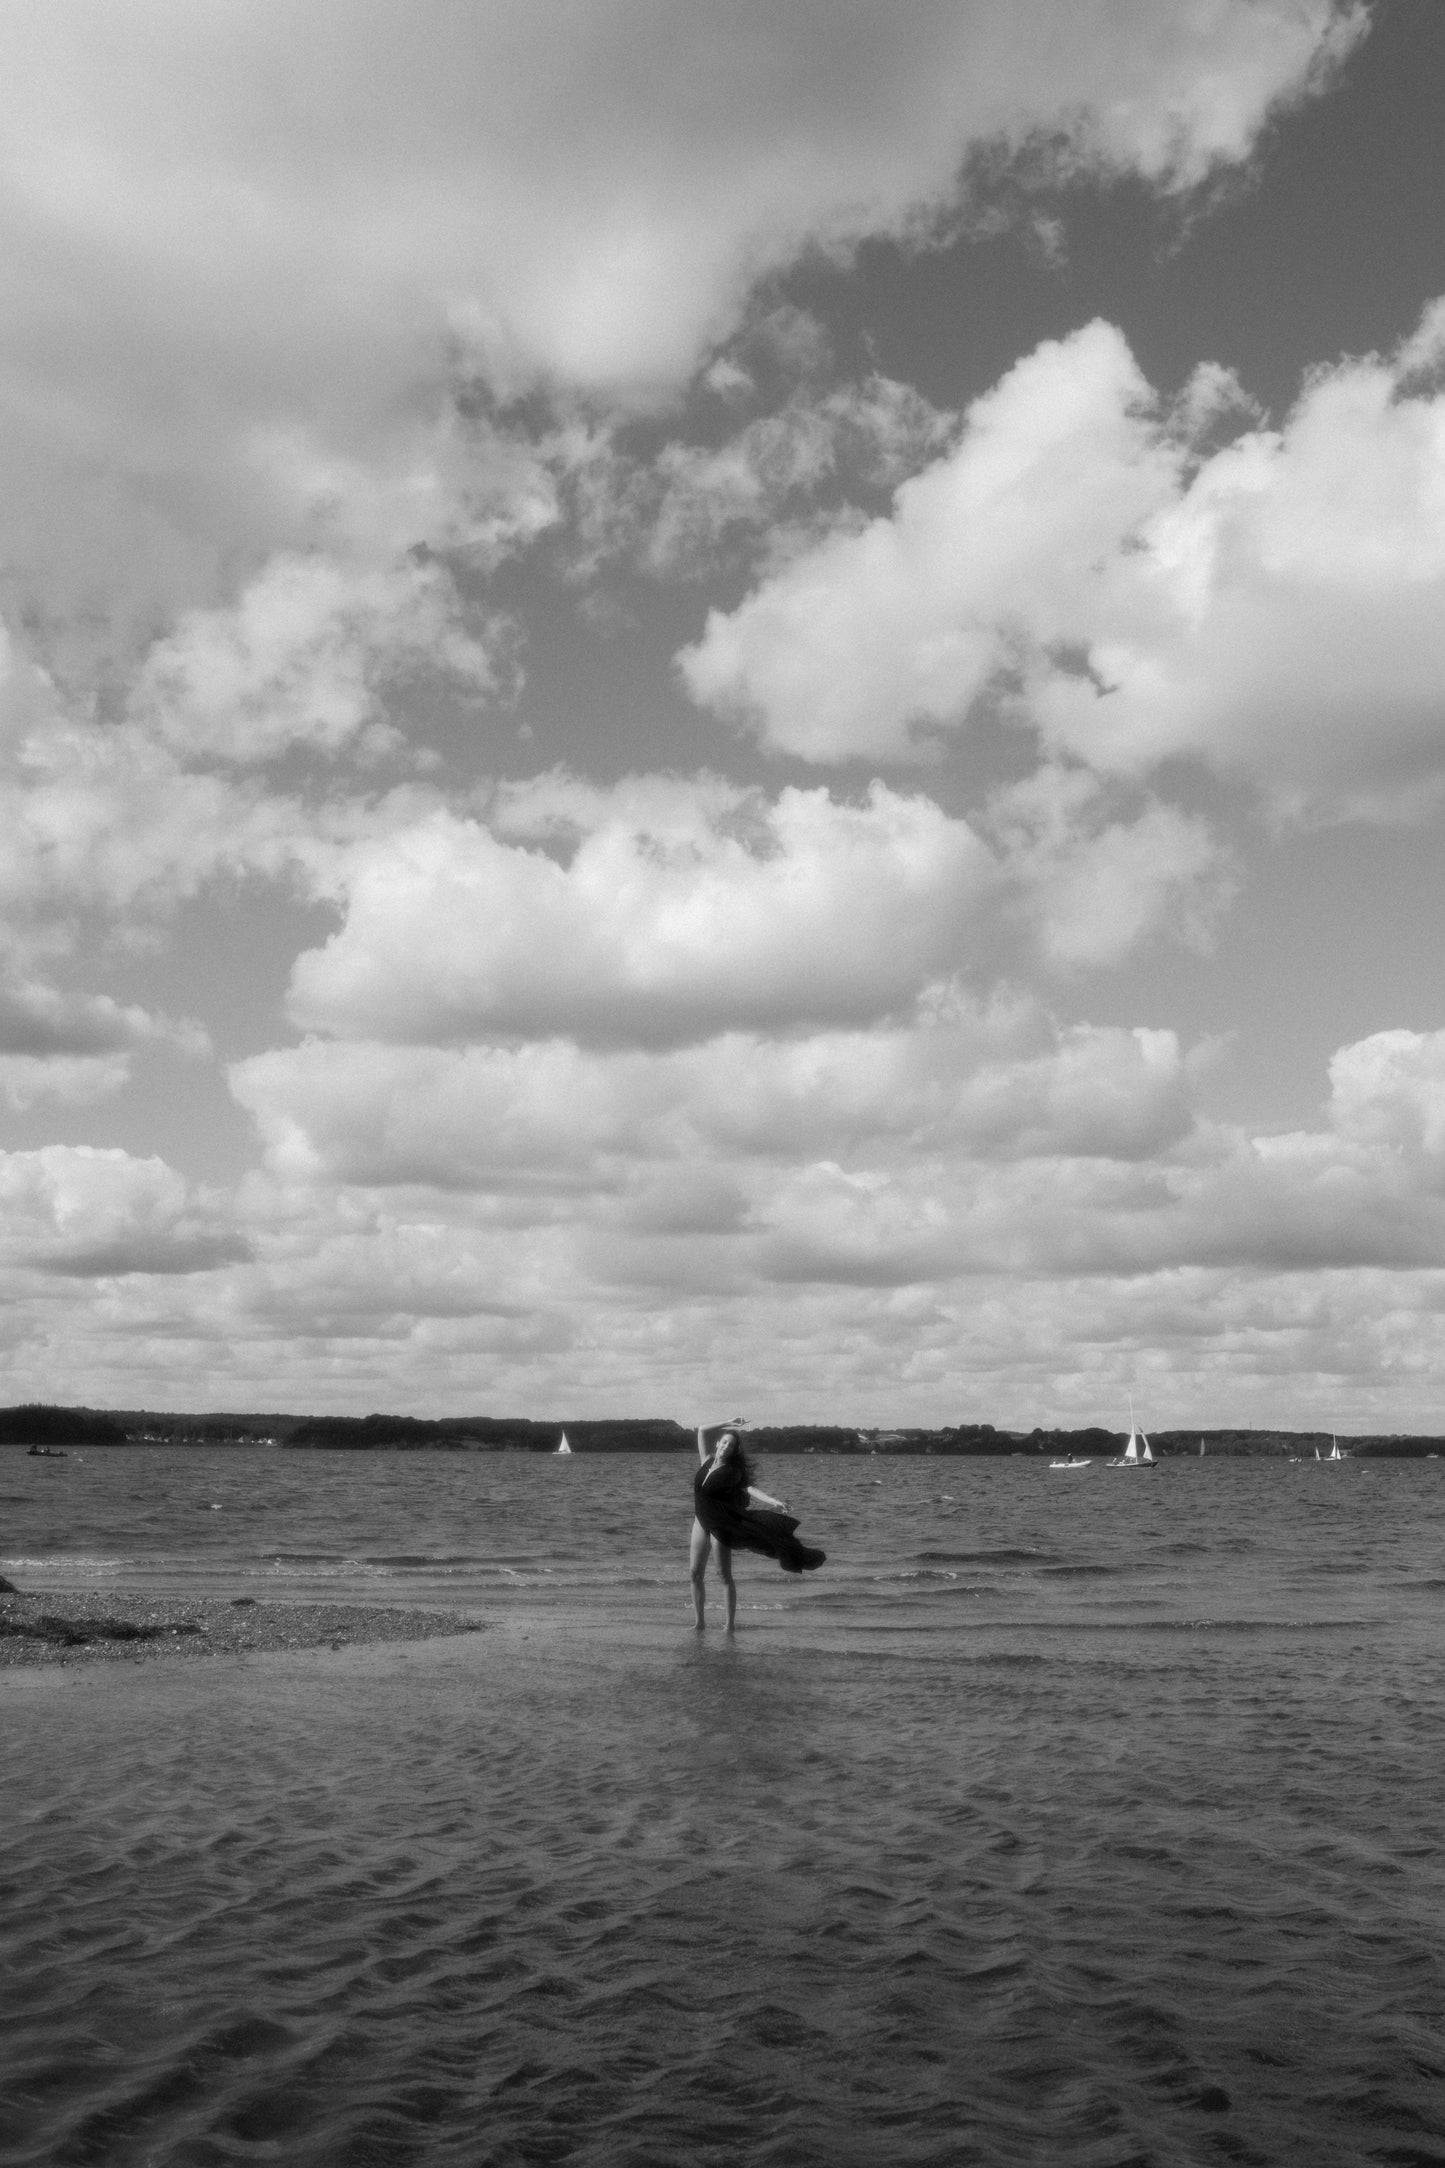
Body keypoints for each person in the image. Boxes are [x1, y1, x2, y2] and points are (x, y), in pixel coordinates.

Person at [690, 1420, 826, 1631]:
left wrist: (773, 1501)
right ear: (718, 1443)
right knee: (694, 1574)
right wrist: (729, 1422)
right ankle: (699, 1623)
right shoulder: (705, 1460)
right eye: (724, 1442)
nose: (726, 1447)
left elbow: (750, 1488)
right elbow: (701, 1429)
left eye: (731, 1445)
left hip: (721, 1524)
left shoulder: (733, 1471)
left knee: (723, 1575)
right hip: (700, 1521)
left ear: (734, 1451)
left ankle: (729, 1626)